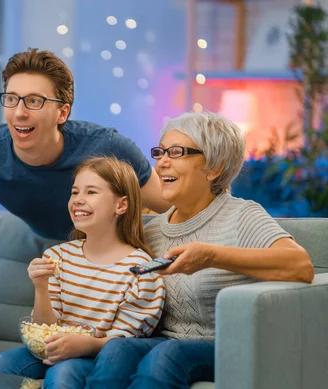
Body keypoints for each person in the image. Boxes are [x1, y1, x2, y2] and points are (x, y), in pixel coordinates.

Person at [83, 112, 315, 389]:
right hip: (165, 343)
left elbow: (300, 265)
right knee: (117, 350)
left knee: (167, 355)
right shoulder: (153, 231)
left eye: (177, 152)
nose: (162, 163)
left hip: (225, 345)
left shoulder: (242, 216)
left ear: (215, 167)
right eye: (161, 152)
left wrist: (211, 256)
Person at [0, 48, 170, 240]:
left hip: (124, 243)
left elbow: (174, 208)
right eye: (11, 99)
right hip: (59, 253)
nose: (19, 113)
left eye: (34, 101)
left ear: (62, 113)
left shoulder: (109, 147)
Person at [0, 156, 166, 388]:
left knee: (63, 374)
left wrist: (84, 344)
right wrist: (41, 286)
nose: (78, 200)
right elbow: (44, 329)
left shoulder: (142, 271)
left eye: (91, 192)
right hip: (52, 350)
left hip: (96, 358)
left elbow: (124, 348)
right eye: (74, 192)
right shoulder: (58, 256)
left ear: (121, 205)